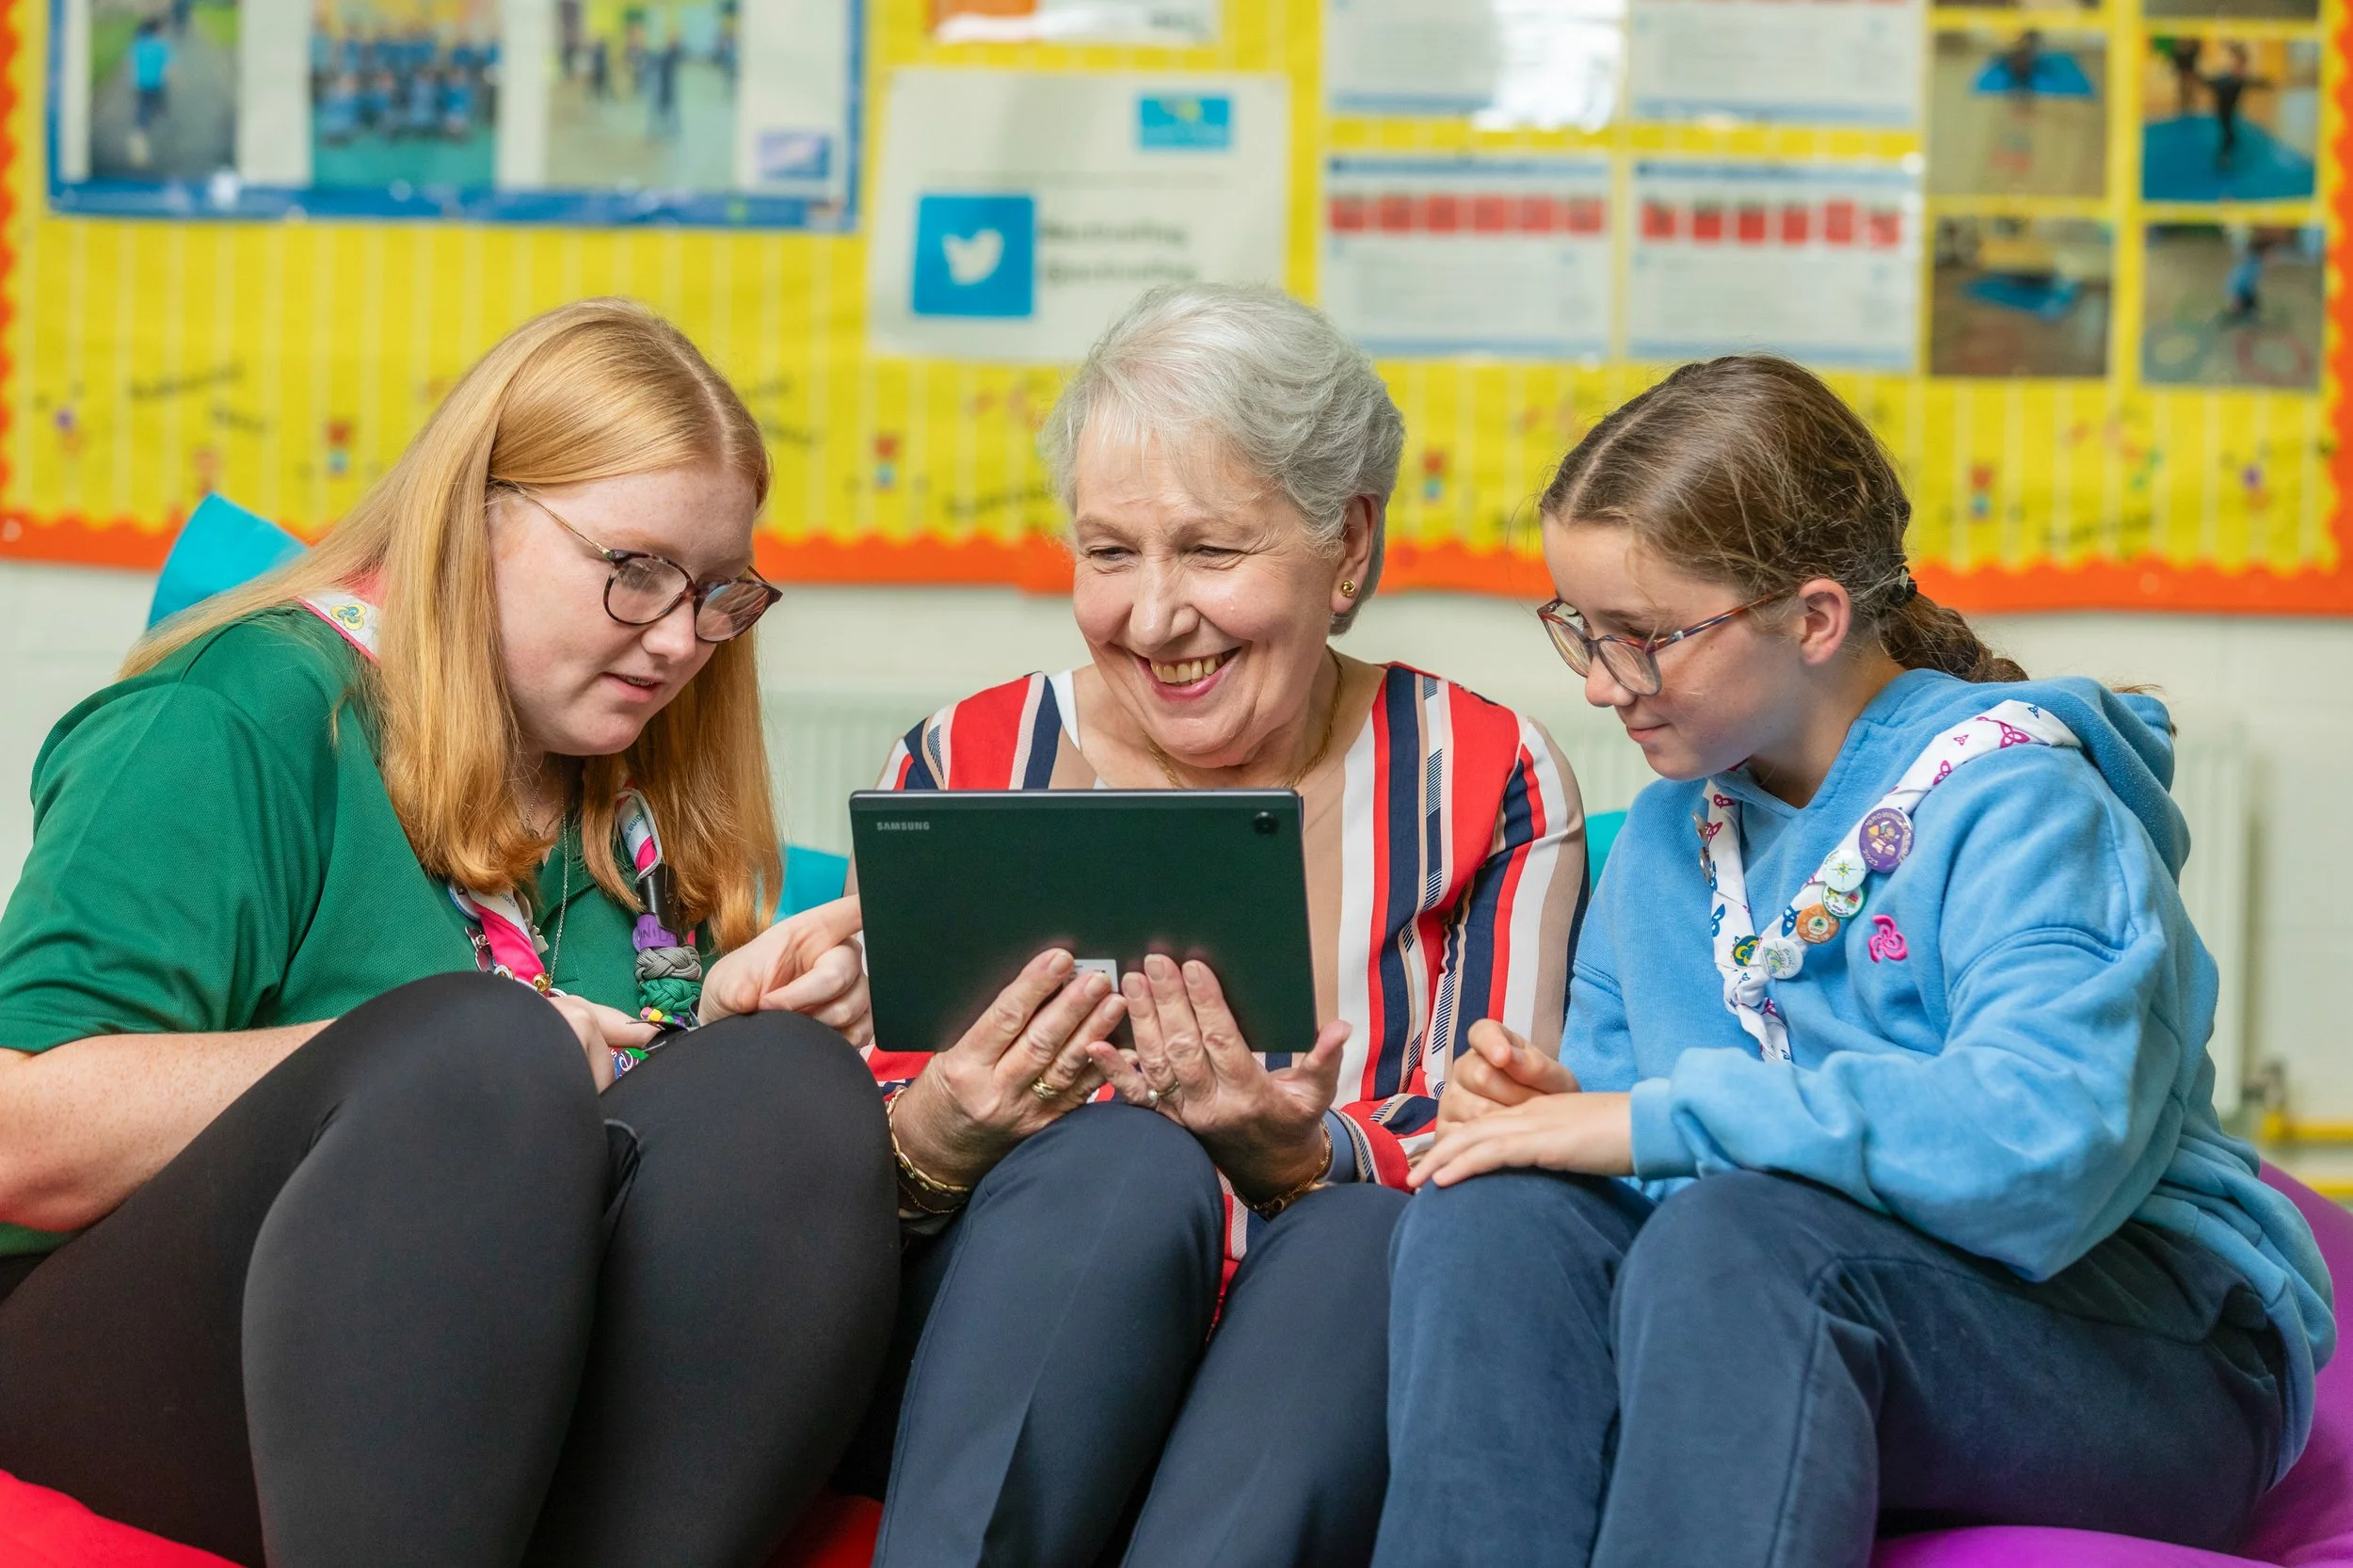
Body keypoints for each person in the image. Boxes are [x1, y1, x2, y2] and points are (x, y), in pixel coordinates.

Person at [1371, 354, 2334, 1566]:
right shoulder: (1674, 835)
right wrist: (1546, 1119)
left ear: (1815, 619)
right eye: (1580, 630)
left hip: (2142, 1343)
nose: (1603, 684)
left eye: (1643, 637)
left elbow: (2048, 1151)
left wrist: (1651, 1125)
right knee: (1493, 1222)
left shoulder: (2023, 802)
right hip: (1808, 1293)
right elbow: (1625, 1144)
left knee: (1743, 1247)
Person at [0, 299, 899, 1568]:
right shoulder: (237, 711)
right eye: (633, 569)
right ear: (476, 512)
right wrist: (403, 1056)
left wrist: (709, 1037)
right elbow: (15, 1133)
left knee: (787, 1085)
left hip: (495, 1374)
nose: (679, 637)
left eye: (717, 594)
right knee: (477, 1053)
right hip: (134, 1355)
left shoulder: (627, 787)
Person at [841, 282, 1589, 1568]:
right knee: (1122, 1167)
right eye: (1110, 551)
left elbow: (1500, 1141)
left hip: (1322, 1331)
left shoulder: (1486, 771)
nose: (1152, 615)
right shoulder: (972, 758)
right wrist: (938, 1133)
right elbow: (854, 1139)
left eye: (1211, 549)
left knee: (1363, 1238)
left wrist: (1304, 1157)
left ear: (1348, 543)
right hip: (1017, 1328)